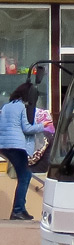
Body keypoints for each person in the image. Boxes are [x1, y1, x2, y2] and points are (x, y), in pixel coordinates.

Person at [0, 83, 48, 220]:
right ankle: (18, 210)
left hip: (4, 146)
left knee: (24, 175)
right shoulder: (21, 107)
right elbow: (26, 128)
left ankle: (21, 209)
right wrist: (42, 126)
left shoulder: (6, 106)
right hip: (16, 145)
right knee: (25, 176)